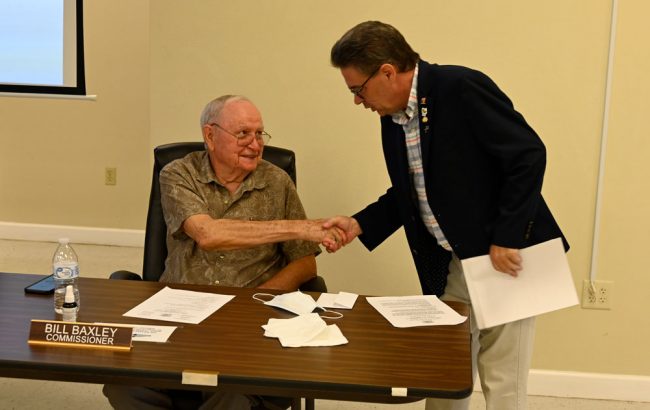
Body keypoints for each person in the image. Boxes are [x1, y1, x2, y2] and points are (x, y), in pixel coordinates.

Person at [324, 21, 568, 410]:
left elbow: (527, 155)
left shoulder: (460, 88)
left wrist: (507, 235)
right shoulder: (392, 118)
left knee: (502, 377)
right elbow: (410, 191)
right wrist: (359, 224)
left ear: (387, 71)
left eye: (358, 89)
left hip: (508, 256)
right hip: (458, 260)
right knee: (443, 369)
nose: (357, 100)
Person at [103, 94, 341, 410]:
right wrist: (299, 227)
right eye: (243, 134)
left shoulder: (276, 181)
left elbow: (305, 264)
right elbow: (208, 234)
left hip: (248, 321)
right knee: (123, 385)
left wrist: (256, 299)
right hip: (181, 312)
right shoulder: (178, 174)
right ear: (210, 136)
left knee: (234, 392)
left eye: (259, 134)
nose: (255, 145)